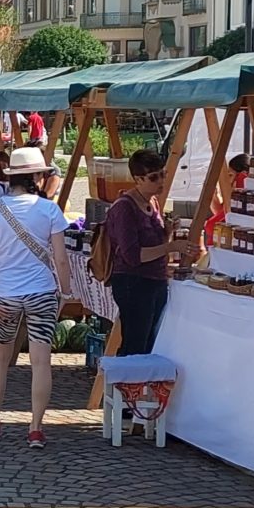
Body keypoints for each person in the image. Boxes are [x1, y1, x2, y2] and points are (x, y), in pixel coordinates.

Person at [0, 147, 71, 446]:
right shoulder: (49, 210)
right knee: (41, 361)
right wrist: (64, 293)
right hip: (41, 291)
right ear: (37, 176)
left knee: (0, 358)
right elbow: (61, 259)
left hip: (4, 292)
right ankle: (36, 427)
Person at [103, 148, 176, 359]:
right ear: (138, 179)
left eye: (163, 174)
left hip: (155, 280)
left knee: (151, 343)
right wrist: (170, 248)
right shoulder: (124, 208)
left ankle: (141, 388)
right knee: (135, 345)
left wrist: (168, 233)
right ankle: (126, 389)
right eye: (154, 177)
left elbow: (157, 243)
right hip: (133, 282)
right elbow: (133, 256)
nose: (160, 181)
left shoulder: (152, 202)